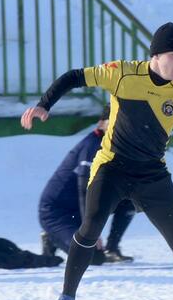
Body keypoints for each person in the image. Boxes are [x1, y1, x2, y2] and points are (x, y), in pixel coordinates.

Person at [20, 22, 173, 300]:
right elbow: (74, 77)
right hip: (112, 167)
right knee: (89, 229)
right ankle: (66, 299)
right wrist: (44, 105)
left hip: (152, 174)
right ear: (156, 55)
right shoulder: (123, 72)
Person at [38, 105, 136, 265]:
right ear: (101, 124)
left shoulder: (119, 147)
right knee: (92, 257)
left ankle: (112, 248)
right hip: (57, 213)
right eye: (113, 123)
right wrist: (91, 231)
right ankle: (51, 237)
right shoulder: (93, 146)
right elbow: (85, 190)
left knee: (131, 199)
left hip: (79, 210)